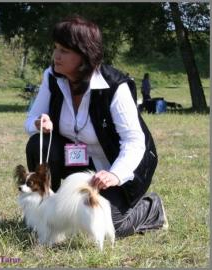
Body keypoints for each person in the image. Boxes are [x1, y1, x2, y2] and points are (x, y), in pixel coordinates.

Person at [24, 16, 168, 238]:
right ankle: (47, 213)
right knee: (37, 144)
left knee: (110, 225)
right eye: (55, 48)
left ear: (84, 56)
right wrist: (38, 123)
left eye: (64, 50)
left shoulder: (115, 86)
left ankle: (151, 208)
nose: (56, 55)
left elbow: (134, 141)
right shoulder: (51, 76)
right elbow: (31, 119)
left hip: (115, 167)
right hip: (76, 162)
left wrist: (115, 175)